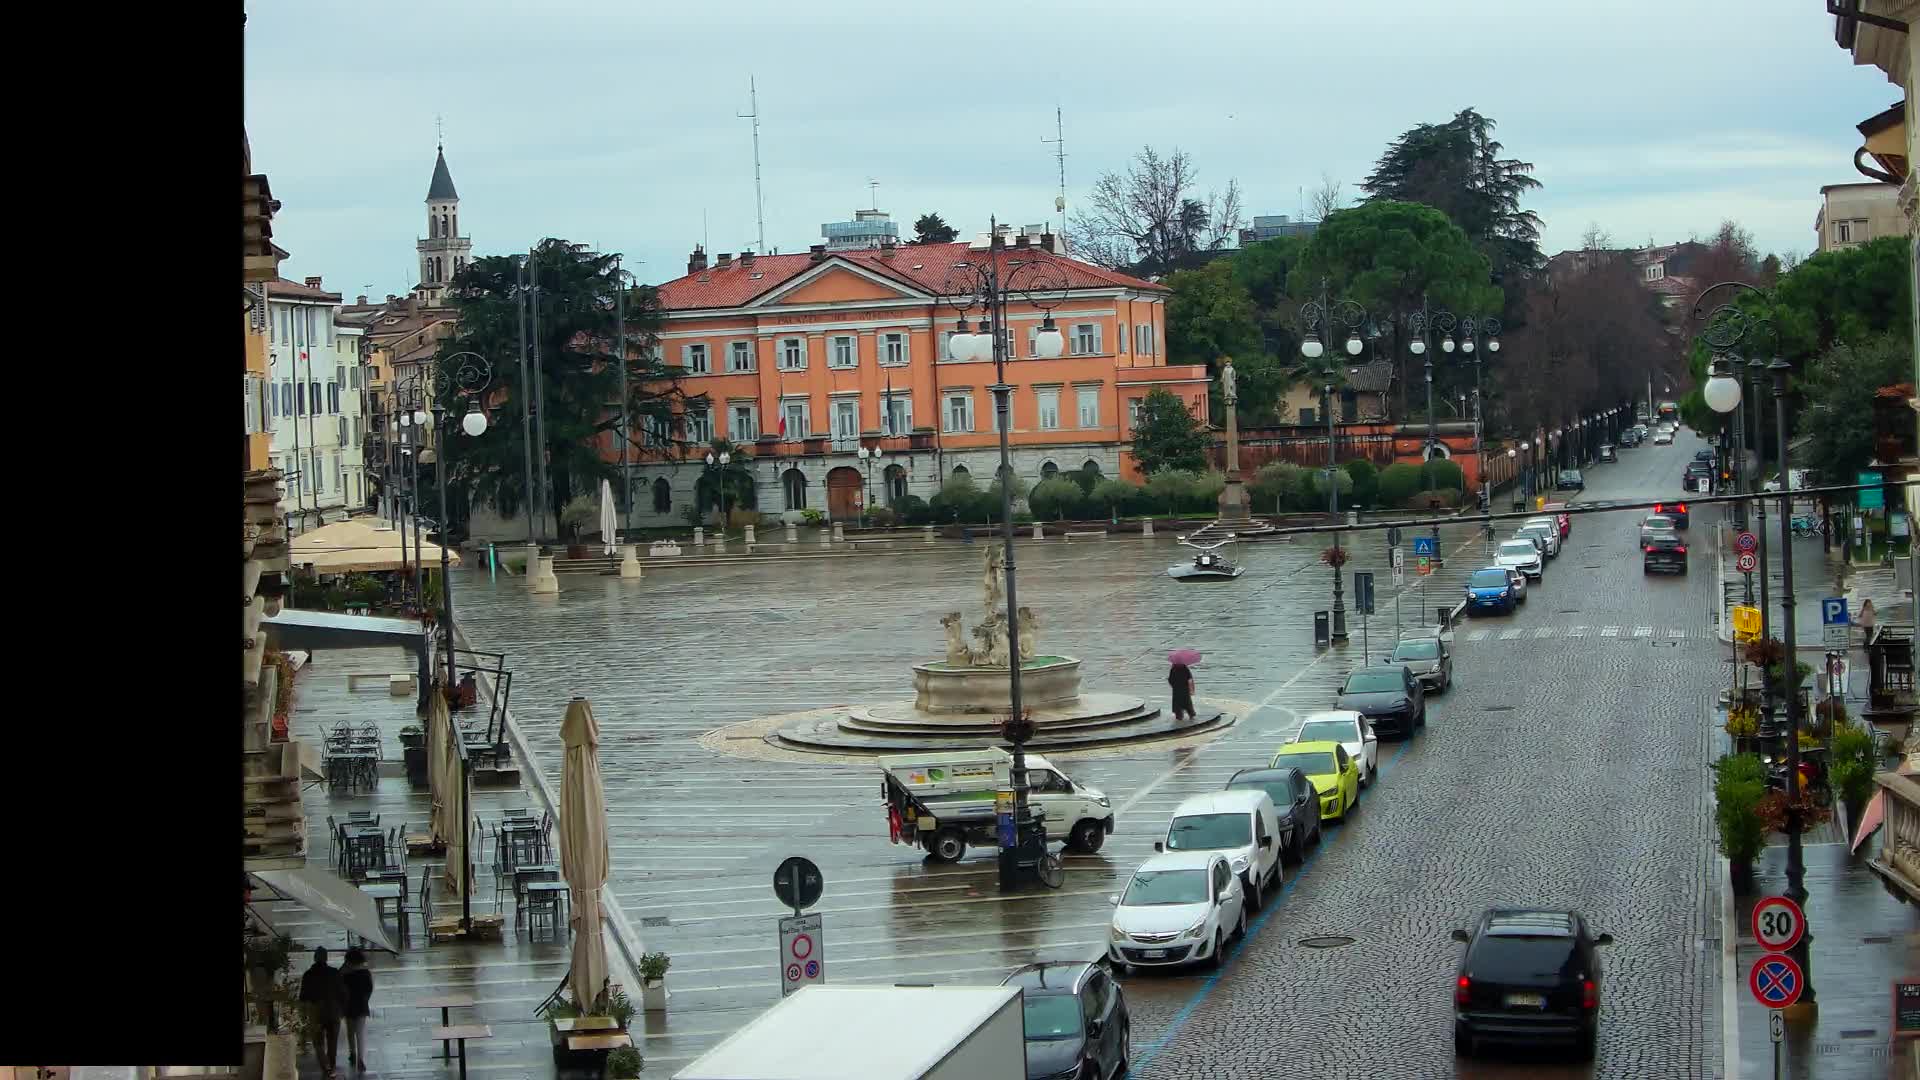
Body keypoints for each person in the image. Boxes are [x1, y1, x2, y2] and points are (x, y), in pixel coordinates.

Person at [298, 946, 348, 1078]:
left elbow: (303, 997)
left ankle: (325, 1067)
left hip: (316, 1013)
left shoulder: (308, 974)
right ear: (326, 958)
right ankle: (332, 1067)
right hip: (333, 1011)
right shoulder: (334, 973)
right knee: (332, 1042)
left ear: (315, 958)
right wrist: (342, 1010)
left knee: (318, 1042)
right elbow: (343, 993)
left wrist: (303, 1014)